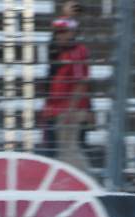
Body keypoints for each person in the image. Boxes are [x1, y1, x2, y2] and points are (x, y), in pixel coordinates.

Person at [43, 17, 90, 173]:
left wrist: (71, 110)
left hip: (69, 111)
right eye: (58, 33)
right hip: (60, 110)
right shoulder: (61, 52)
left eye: (64, 32)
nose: (60, 36)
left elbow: (81, 81)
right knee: (64, 151)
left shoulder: (76, 52)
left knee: (69, 150)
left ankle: (86, 181)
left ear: (72, 33)